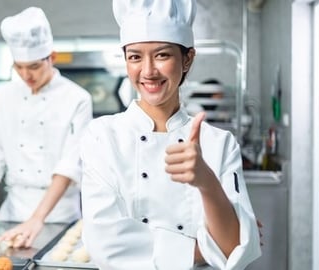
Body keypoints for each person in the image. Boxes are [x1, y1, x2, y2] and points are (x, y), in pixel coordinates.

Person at [79, 0, 262, 269]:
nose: (148, 71)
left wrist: (206, 181)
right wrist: (204, 249)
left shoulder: (220, 143)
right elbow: (104, 244)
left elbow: (235, 250)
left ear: (187, 58)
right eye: (135, 57)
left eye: (162, 55)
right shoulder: (102, 137)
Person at [0, 7, 93, 248]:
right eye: (19, 66)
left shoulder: (77, 98)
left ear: (51, 57)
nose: (26, 75)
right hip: (13, 208)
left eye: (34, 66)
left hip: (58, 213)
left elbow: (69, 164)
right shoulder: (5, 96)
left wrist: (37, 219)